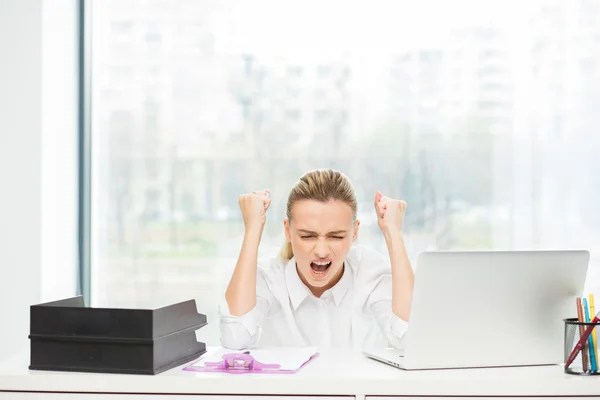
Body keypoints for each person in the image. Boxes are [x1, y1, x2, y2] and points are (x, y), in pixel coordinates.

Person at [219, 168, 414, 350]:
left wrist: (393, 233)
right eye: (307, 236)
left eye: (336, 236)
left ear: (354, 233)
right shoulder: (269, 279)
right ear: (288, 231)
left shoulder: (370, 272)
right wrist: (253, 228)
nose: (321, 251)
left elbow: (410, 340)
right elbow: (235, 338)